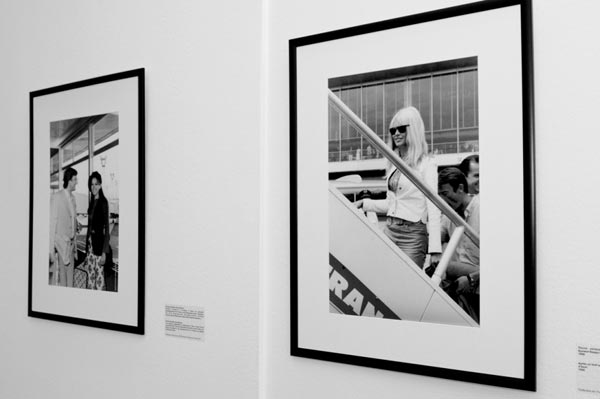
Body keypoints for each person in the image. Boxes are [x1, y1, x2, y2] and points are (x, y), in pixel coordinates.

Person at [356, 106, 441, 269]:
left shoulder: (427, 164)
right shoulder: (393, 164)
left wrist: (435, 248)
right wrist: (365, 203)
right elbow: (393, 204)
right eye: (393, 130)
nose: (396, 133)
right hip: (390, 229)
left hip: (413, 235)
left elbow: (434, 207)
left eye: (401, 128)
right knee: (385, 280)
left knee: (408, 285)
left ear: (414, 129)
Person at [437, 167, 480, 321]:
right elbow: (436, 237)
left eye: (445, 194)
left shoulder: (482, 210)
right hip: (459, 282)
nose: (441, 200)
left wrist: (473, 278)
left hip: (479, 279)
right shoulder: (450, 213)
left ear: (460, 188)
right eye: (439, 195)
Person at [49, 167, 79, 287]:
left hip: (71, 246)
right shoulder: (57, 197)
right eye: (75, 179)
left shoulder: (73, 199)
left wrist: (75, 246)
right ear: (69, 181)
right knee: (62, 280)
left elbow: (72, 221)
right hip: (61, 245)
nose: (77, 182)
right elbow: (52, 223)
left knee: (70, 280)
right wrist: (51, 249)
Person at [84, 171, 111, 290]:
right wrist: (86, 250)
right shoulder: (91, 202)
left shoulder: (103, 203)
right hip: (90, 246)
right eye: (92, 184)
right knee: (90, 280)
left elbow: (107, 228)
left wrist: (104, 252)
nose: (93, 187)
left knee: (99, 282)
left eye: (96, 184)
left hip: (99, 248)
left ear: (100, 185)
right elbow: (90, 227)